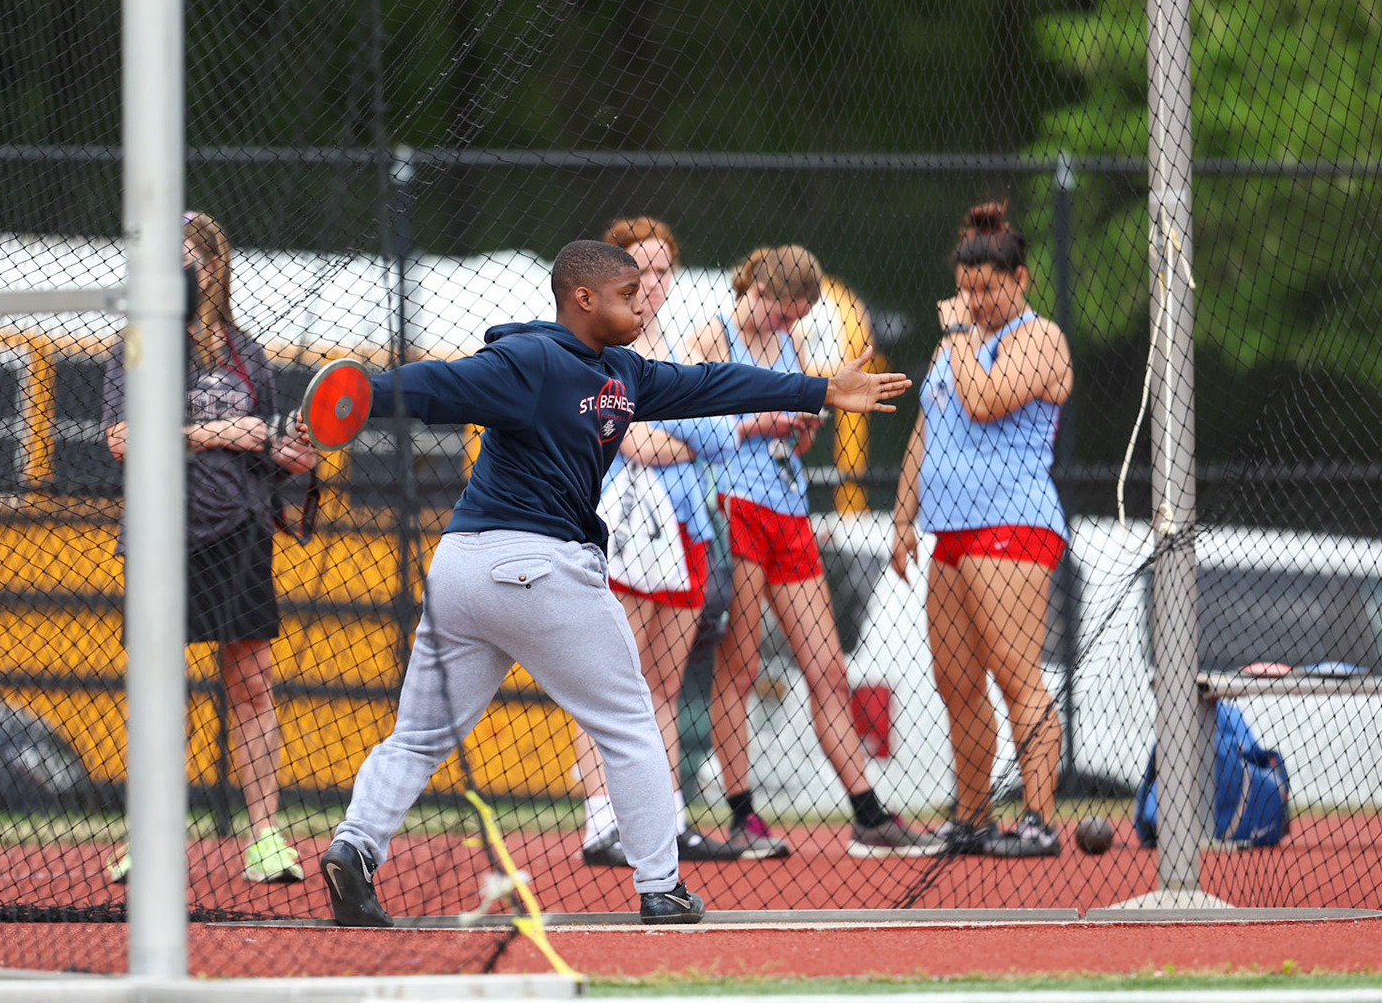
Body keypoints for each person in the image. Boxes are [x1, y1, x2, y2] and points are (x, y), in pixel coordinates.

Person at [319, 240, 911, 926]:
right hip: (539, 565)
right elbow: (439, 386)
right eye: (628, 293)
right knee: (629, 723)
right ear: (584, 299)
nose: (642, 303)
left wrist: (820, 390)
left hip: (462, 570)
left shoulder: (624, 375)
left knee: (420, 737)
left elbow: (713, 383)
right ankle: (661, 886)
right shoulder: (530, 358)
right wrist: (360, 392)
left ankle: (355, 848)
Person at [685, 245, 940, 859]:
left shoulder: (791, 345)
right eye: (782, 312)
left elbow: (790, 429)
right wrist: (759, 422)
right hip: (734, 507)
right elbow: (690, 422)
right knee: (739, 667)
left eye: (798, 316)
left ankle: (868, 813)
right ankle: (742, 813)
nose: (786, 325)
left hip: (788, 507)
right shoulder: (711, 336)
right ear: (760, 290)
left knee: (826, 667)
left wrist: (801, 426)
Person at [102, 210, 320, 884]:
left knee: (252, 686)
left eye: (188, 259)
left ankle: (266, 839)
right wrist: (217, 432)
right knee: (159, 693)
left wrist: (291, 456)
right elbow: (121, 440)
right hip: (161, 538)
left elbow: (265, 453)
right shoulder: (136, 344)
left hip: (241, 533)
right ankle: (150, 840)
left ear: (214, 267)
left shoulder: (247, 353)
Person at [890, 202, 1073, 858]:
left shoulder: (1039, 338)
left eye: (989, 289)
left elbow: (987, 399)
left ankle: (1039, 820)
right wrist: (904, 518)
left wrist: (961, 336)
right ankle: (971, 819)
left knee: (1017, 675)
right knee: (956, 682)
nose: (976, 301)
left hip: (1012, 521)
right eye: (966, 291)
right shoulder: (954, 347)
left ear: (1019, 280)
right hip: (952, 531)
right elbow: (927, 429)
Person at [574, 217, 741, 867]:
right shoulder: (599, 346)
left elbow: (720, 432)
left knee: (666, 688)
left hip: (686, 530)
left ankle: (668, 819)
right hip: (625, 532)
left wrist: (678, 438)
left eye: (664, 271)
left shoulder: (682, 341)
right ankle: (601, 821)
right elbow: (628, 437)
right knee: (612, 681)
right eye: (640, 271)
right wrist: (681, 439)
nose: (654, 284)